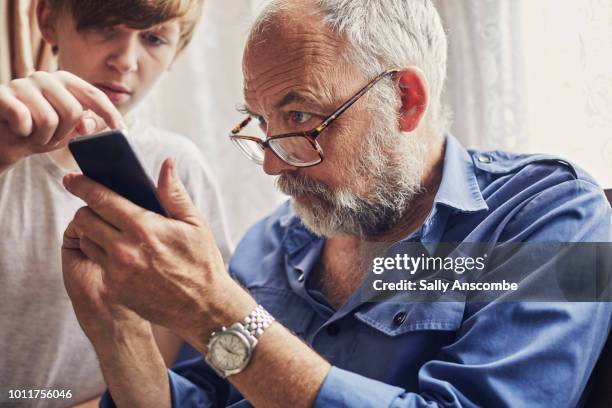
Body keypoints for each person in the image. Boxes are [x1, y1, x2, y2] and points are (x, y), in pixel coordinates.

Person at [61, 0, 612, 407]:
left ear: (405, 100)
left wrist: (214, 308)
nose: (274, 164)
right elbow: (202, 398)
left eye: (299, 118)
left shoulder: (555, 218)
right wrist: (118, 329)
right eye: (263, 124)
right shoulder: (273, 242)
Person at [0, 0, 232, 406]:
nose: (125, 61)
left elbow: (181, 357)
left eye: (154, 38)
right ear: (48, 22)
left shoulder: (177, 170)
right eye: (106, 27)